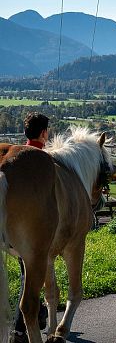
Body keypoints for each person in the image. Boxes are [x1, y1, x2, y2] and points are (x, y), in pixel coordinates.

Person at [10, 112, 49, 343]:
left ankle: (42, 311)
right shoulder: (42, 161)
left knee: (27, 273)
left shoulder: (18, 158)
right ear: (44, 133)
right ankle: (19, 329)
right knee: (29, 275)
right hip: (34, 231)